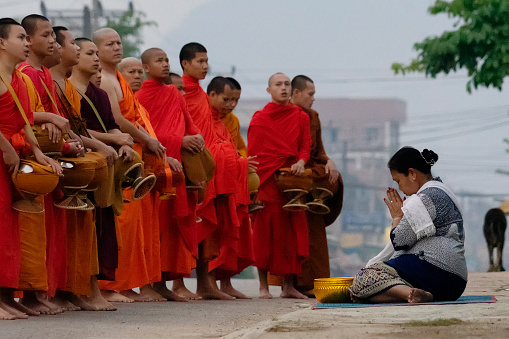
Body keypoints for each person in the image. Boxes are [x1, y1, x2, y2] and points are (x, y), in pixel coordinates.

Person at [93, 28, 166, 302]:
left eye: (118, 42)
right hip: (120, 154)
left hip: (133, 154)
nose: (116, 47)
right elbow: (117, 120)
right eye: (109, 44)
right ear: (98, 50)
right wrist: (147, 139)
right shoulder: (106, 80)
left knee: (136, 226)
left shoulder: (117, 77)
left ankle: (130, 284)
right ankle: (113, 286)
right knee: (122, 222)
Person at [50, 26, 118, 311]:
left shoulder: (64, 86)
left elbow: (74, 127)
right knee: (65, 230)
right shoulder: (40, 79)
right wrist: (103, 144)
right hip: (57, 162)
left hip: (76, 158)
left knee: (85, 229)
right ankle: (63, 290)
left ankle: (78, 289)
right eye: (79, 48)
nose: (80, 53)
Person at [0, 17, 62, 319]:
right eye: (21, 38)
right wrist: (8, 148)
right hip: (4, 153)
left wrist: (39, 154)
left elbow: (25, 122)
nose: (27, 43)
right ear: (1, 42)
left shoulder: (17, 79)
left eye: (27, 38)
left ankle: (5, 295)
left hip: (12, 157)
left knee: (9, 230)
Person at [349, 147, 467, 303]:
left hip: (435, 269)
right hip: (455, 283)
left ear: (412, 174)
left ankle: (408, 293)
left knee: (363, 280)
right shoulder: (440, 191)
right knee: (361, 293)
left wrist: (397, 217)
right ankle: (424, 295)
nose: (399, 188)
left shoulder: (426, 197)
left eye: (398, 181)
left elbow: (400, 241)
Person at [180, 42, 247, 300]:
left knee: (208, 229)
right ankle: (185, 284)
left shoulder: (197, 91)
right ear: (186, 64)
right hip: (194, 164)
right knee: (195, 225)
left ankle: (206, 284)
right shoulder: (182, 90)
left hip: (209, 167)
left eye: (207, 61)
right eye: (200, 61)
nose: (205, 66)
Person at [136, 47, 204, 301]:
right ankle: (152, 282)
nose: (165, 64)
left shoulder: (175, 94)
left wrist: (196, 137)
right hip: (156, 169)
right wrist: (179, 140)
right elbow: (143, 133)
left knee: (175, 229)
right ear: (146, 68)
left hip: (178, 170)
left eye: (166, 60)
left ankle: (169, 282)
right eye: (159, 61)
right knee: (157, 229)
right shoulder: (140, 97)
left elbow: (189, 123)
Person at [17, 14, 71, 316]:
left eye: (54, 35)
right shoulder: (24, 73)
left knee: (43, 232)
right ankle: (28, 292)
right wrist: (49, 120)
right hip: (24, 156)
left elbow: (47, 115)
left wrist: (65, 142)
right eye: (46, 35)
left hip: (45, 154)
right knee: (27, 229)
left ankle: (40, 291)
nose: (54, 41)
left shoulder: (43, 76)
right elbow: (24, 116)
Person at [273, 75, 343, 296]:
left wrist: (329, 162)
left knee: (315, 229)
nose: (313, 99)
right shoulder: (283, 115)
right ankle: (291, 284)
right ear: (296, 94)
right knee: (294, 230)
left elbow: (319, 152)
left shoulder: (313, 117)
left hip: (310, 172)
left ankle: (313, 282)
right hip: (292, 176)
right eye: (310, 94)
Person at [247, 72, 311, 299]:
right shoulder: (259, 118)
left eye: (286, 84)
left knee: (291, 235)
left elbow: (305, 147)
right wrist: (254, 187)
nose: (283, 88)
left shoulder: (301, 116)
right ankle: (263, 286)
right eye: (278, 84)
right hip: (266, 182)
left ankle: (288, 286)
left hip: (291, 183)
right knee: (263, 236)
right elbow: (253, 154)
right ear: (269, 90)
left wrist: (301, 162)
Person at [207, 76, 253, 299]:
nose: (231, 105)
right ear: (212, 95)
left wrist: (241, 161)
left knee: (231, 231)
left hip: (231, 180)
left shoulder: (232, 121)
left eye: (235, 100)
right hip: (213, 181)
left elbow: (240, 149)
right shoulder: (204, 116)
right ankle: (208, 283)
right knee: (214, 231)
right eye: (227, 99)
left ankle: (225, 282)